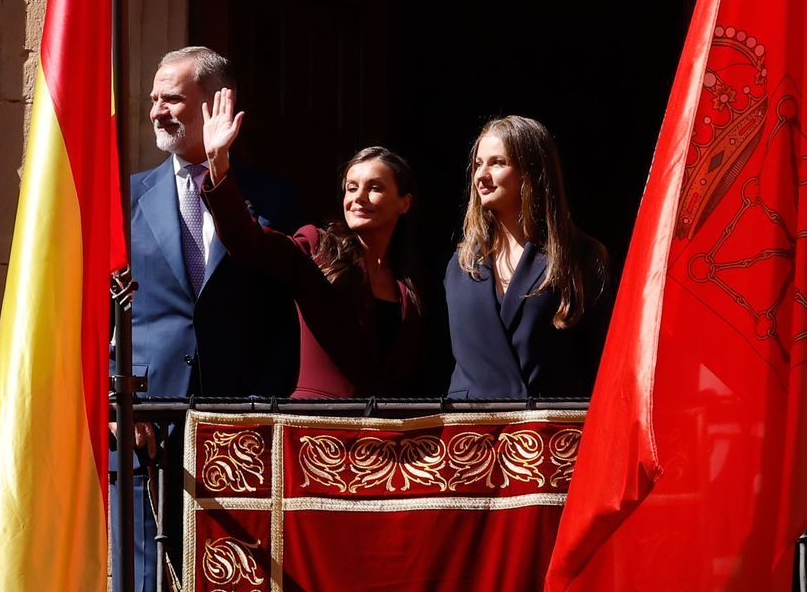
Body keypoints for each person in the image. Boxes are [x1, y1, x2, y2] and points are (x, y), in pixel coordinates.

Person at [120, 45, 300, 592]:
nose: (157, 111)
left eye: (172, 98)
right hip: (149, 424)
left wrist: (269, 402)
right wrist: (124, 397)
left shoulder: (273, 199)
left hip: (241, 422)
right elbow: (97, 305)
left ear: (216, 104)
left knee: (240, 587)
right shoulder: (126, 196)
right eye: (154, 99)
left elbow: (286, 311)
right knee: (146, 590)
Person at [199, 87, 426, 397]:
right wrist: (218, 163)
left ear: (404, 203)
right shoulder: (318, 247)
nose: (358, 197)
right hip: (316, 422)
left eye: (374, 188)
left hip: (381, 426)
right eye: (351, 188)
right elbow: (248, 242)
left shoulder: (408, 280)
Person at [443, 115, 611, 400]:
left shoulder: (580, 257)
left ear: (532, 171)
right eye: (478, 164)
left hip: (547, 422)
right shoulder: (461, 264)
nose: (481, 175)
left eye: (497, 163)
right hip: (472, 423)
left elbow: (599, 358)